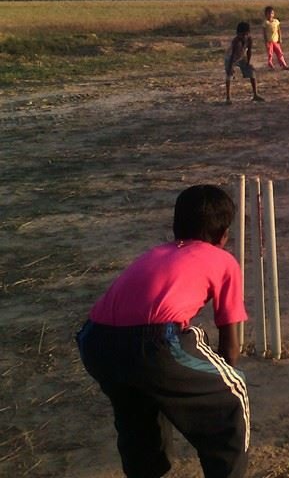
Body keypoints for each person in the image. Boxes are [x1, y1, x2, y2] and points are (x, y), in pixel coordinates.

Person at [76, 185, 250, 478]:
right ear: (224, 236)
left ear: (174, 226)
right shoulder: (223, 260)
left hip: (94, 341)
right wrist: (217, 385)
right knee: (233, 399)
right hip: (155, 341)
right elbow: (230, 349)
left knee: (138, 411)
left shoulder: (154, 253)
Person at [225, 22, 264, 104]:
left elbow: (249, 51)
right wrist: (231, 66)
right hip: (231, 58)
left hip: (242, 57)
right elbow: (232, 55)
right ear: (237, 34)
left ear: (248, 33)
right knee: (229, 75)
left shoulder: (249, 39)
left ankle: (255, 95)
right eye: (241, 35)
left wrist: (248, 63)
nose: (243, 36)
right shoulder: (236, 41)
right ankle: (228, 98)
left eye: (244, 34)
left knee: (252, 72)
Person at [262, 5, 289, 70]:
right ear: (266, 14)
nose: (270, 15)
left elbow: (279, 30)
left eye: (272, 13)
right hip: (269, 41)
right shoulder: (265, 23)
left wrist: (280, 38)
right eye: (269, 13)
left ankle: (284, 65)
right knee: (270, 54)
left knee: (279, 53)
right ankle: (270, 64)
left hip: (276, 40)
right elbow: (264, 32)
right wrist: (266, 41)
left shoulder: (276, 21)